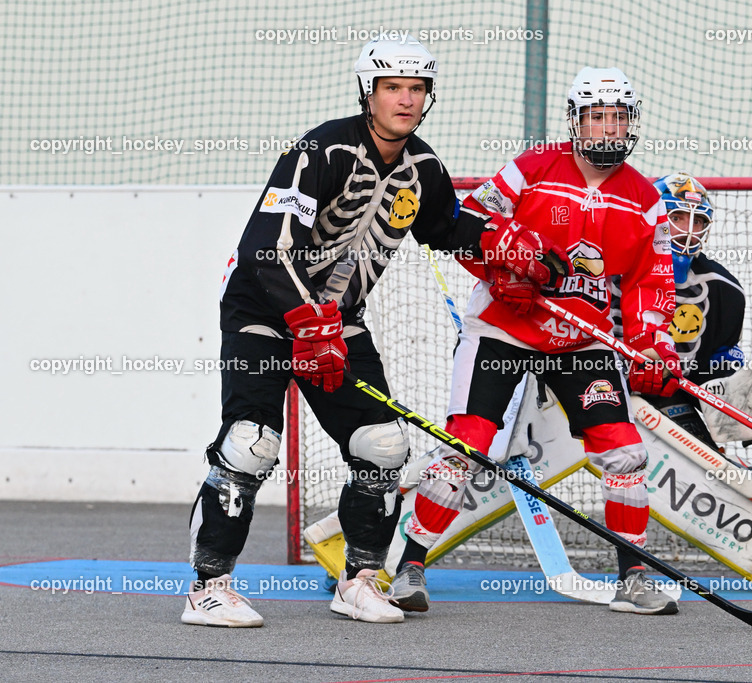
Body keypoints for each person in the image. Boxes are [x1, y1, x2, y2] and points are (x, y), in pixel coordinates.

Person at [181, 38, 507, 626]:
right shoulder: (323, 148)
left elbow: (447, 230)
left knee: (382, 446)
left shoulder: (425, 168)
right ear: (368, 92)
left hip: (340, 322)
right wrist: (308, 324)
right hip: (265, 310)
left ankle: (359, 579)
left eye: (417, 89)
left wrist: (508, 254)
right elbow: (265, 248)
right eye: (392, 88)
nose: (405, 100)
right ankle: (208, 586)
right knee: (250, 443)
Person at [388, 66, 683, 616]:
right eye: (597, 117)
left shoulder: (644, 199)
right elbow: (469, 222)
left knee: (624, 450)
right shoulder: (532, 169)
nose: (608, 130)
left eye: (618, 118)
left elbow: (652, 281)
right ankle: (410, 565)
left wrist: (653, 344)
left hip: (580, 340)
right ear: (576, 122)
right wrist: (500, 267)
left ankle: (634, 575)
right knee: (467, 446)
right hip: (503, 329)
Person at [628, 173, 745, 448]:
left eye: (698, 220)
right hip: (599, 387)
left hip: (669, 393)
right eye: (677, 217)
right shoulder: (609, 268)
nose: (687, 230)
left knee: (713, 469)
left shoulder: (725, 289)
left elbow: (717, 363)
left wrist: (740, 390)